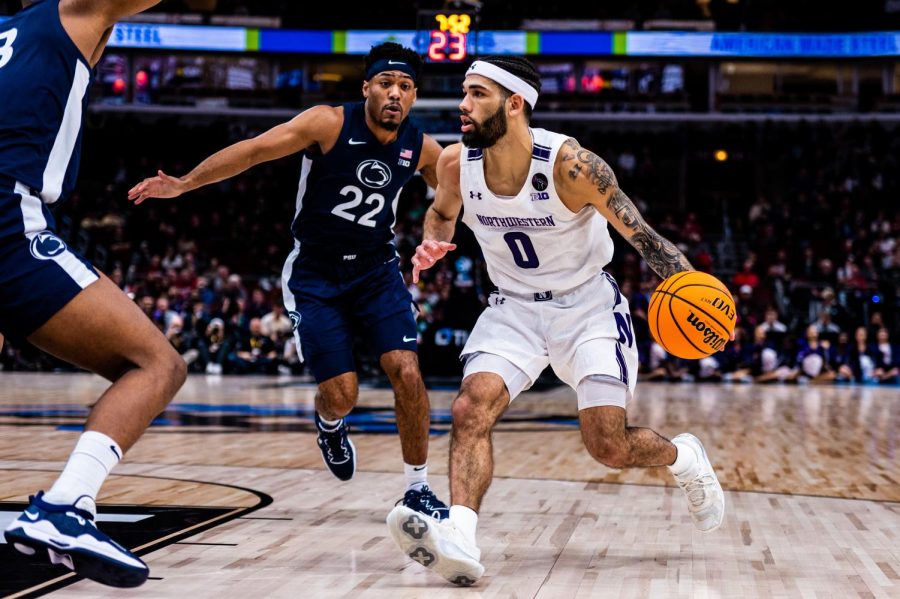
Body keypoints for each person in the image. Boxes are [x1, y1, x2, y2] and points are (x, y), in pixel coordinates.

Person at [386, 56, 725, 586]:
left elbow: (646, 240)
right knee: (470, 407)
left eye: (477, 94)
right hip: (514, 307)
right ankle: (461, 537)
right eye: (463, 93)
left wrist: (702, 299)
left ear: (514, 104)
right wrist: (433, 239)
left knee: (606, 445)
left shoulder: (571, 165)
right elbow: (442, 210)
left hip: (586, 304)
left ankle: (682, 456)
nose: (462, 105)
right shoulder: (456, 163)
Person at [128, 43, 449, 518]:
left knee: (407, 371)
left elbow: (451, 197)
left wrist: (434, 239)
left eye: (404, 86)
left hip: (376, 270)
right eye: (385, 83)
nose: (394, 94)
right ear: (366, 88)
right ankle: (329, 422)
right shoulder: (328, 123)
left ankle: (418, 487)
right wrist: (185, 183)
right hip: (315, 273)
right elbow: (255, 151)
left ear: (415, 95)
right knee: (343, 394)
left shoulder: (422, 147)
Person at [1, 0, 187, 588]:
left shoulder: (10, 31)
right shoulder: (73, 11)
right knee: (157, 364)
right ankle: (66, 507)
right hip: (7, 217)